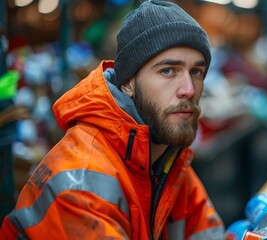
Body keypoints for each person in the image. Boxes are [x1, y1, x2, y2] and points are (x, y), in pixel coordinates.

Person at [0, 0, 225, 239]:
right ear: (128, 82)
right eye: (168, 71)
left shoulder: (169, 161)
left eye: (196, 72)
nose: (188, 89)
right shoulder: (83, 181)